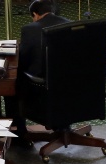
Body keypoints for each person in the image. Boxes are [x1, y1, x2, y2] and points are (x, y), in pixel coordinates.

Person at [9, 0, 68, 139]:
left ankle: (20, 132)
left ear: (35, 14)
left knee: (12, 81)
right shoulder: (71, 24)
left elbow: (22, 61)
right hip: (73, 87)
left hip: (43, 89)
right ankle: (64, 125)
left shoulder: (30, 29)